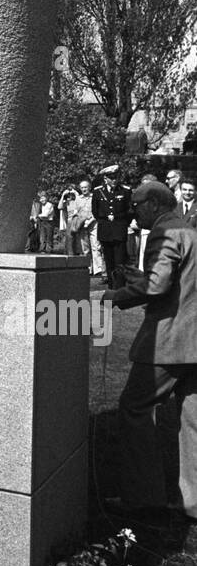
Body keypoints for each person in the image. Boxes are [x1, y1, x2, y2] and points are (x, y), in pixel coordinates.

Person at [104, 181, 197, 520]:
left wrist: (117, 296)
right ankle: (193, 502)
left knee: (135, 408)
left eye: (138, 202)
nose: (133, 209)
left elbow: (158, 285)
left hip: (170, 342)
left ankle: (144, 497)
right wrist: (139, 278)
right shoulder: (188, 229)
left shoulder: (165, 231)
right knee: (193, 422)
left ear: (156, 203)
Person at [91, 164, 133, 286]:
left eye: (116, 177)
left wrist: (120, 221)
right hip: (105, 231)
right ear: (106, 179)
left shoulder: (125, 191)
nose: (114, 180)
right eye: (111, 178)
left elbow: (129, 211)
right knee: (109, 261)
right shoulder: (98, 192)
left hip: (119, 230)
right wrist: (105, 219)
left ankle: (119, 288)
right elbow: (95, 211)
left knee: (120, 261)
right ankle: (111, 286)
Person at [66, 179, 98, 269]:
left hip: (93, 223)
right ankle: (88, 267)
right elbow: (76, 211)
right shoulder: (78, 199)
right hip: (82, 225)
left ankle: (97, 269)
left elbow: (97, 210)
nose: (84, 189)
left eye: (86, 187)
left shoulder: (94, 197)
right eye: (82, 187)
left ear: (90, 188)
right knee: (85, 247)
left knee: (96, 246)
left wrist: (90, 220)